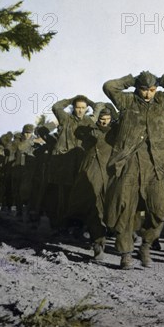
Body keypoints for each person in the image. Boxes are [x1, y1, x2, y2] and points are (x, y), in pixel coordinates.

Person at [103, 71, 164, 269]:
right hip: (129, 162)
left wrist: (163, 79)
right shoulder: (126, 101)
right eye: (144, 90)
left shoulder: (162, 101)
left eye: (151, 90)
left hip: (156, 164)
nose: (148, 94)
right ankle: (125, 254)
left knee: (159, 209)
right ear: (137, 89)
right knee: (125, 208)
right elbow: (109, 86)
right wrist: (132, 80)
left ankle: (146, 244)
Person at [67, 106, 117, 261]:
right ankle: (98, 244)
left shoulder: (116, 133)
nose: (104, 122)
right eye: (102, 119)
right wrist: (94, 120)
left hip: (111, 174)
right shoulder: (90, 132)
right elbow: (79, 132)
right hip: (93, 174)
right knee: (95, 209)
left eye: (107, 119)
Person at [48, 95, 98, 230]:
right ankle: (62, 226)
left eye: (83, 108)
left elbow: (99, 108)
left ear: (86, 108)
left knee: (81, 195)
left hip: (83, 163)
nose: (80, 110)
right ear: (73, 108)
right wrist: (71, 100)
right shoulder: (66, 118)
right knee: (64, 195)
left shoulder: (90, 122)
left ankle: (79, 226)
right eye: (77, 107)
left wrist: (90, 101)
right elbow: (56, 107)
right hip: (66, 163)